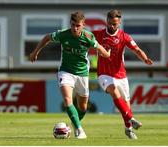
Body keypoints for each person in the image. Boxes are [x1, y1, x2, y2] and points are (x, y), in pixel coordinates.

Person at [29, 11, 110, 139]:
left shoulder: (88, 37)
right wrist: (35, 52)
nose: (75, 28)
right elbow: (47, 38)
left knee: (83, 107)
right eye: (73, 25)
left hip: (83, 73)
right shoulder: (63, 34)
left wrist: (107, 54)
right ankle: (79, 129)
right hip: (65, 71)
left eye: (78, 25)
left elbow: (99, 48)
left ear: (83, 25)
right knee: (67, 100)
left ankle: (74, 123)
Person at [93, 9, 153, 139]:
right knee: (114, 91)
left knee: (126, 105)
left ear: (119, 23)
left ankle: (128, 128)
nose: (112, 26)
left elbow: (136, 49)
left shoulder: (124, 36)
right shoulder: (98, 34)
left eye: (114, 23)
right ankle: (131, 118)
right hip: (104, 74)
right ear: (106, 22)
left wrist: (145, 59)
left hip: (121, 75)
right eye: (109, 23)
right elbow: (84, 37)